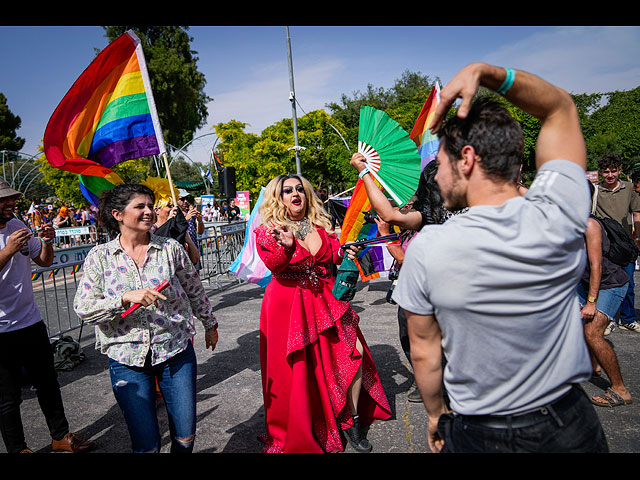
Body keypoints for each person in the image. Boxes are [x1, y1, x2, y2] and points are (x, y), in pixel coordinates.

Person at [392, 62, 608, 453]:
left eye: (439, 164)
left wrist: (435, 415)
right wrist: (491, 75)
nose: (437, 178)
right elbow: (560, 108)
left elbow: (424, 353)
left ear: (467, 159)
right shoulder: (556, 214)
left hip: (480, 432)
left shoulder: (427, 249)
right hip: (568, 423)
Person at [73, 183, 218, 453]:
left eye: (150, 206)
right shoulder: (100, 257)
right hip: (126, 358)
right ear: (118, 214)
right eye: (140, 206)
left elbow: (194, 288)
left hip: (175, 352)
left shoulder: (170, 249)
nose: (149, 211)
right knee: (146, 445)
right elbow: (83, 307)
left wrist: (210, 323)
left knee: (185, 437)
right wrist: (126, 297)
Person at [254, 174, 391, 453]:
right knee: (302, 370)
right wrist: (288, 246)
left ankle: (351, 421)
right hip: (289, 305)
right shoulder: (269, 229)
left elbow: (331, 259)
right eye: (287, 190)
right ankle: (311, 424)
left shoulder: (320, 225)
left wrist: (346, 254)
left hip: (327, 300)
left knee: (354, 353)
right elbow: (273, 265)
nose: (295, 194)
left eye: (300, 189)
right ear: (277, 197)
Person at [0, 179, 94, 454]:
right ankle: (19, 449)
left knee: (48, 382)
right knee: (8, 397)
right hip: (1, 330)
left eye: (11, 198)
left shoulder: (18, 226)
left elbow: (43, 261)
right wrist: (7, 251)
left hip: (30, 321)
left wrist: (47, 242)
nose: (11, 203)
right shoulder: (11, 237)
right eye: (4, 200)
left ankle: (60, 436)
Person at [349, 157, 452, 405]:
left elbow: (405, 256)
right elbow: (388, 213)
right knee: (414, 339)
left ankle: (437, 386)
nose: (408, 201)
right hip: (418, 291)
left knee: (428, 342)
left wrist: (386, 234)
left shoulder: (453, 216)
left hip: (438, 296)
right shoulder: (429, 218)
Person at [579, 193, 633, 408]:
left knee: (592, 332)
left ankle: (620, 389)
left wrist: (591, 301)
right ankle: (593, 366)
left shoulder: (589, 225)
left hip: (610, 284)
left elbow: (596, 267)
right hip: (584, 282)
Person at [593, 154, 640, 334]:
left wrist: (638, 240)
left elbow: (637, 215)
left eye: (613, 170)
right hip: (605, 245)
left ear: (619, 171)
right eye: (606, 171)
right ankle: (608, 318)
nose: (610, 175)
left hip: (626, 245)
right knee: (605, 283)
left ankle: (627, 319)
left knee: (628, 283)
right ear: (601, 173)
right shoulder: (596, 191)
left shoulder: (630, 189)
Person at [153, 197, 200, 265]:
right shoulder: (151, 230)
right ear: (156, 210)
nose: (174, 209)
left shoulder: (178, 230)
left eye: (174, 206)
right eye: (169, 206)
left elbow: (195, 259)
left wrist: (188, 241)